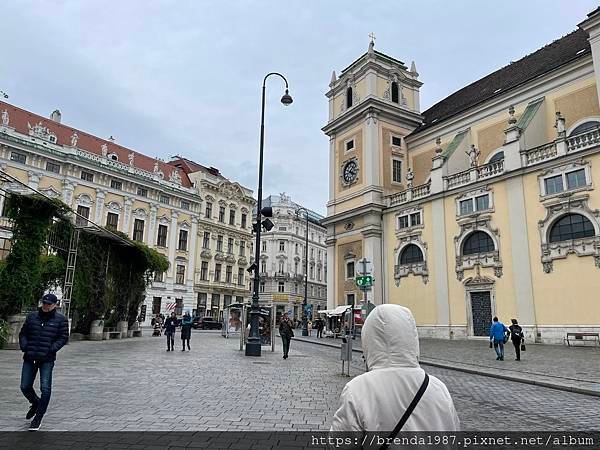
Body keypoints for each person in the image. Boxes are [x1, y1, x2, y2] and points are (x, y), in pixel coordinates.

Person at [330, 304, 459, 432]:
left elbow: (339, 443)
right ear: (411, 336)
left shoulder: (358, 390)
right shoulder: (439, 388)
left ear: (369, 339)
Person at [18, 293, 69, 431]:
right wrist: (24, 346)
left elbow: (63, 337)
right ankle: (35, 403)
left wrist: (51, 349)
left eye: (49, 304)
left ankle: (38, 418)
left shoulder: (61, 320)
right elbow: (23, 333)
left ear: (55, 305)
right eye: (44, 303)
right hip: (30, 356)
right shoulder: (32, 317)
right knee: (24, 386)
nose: (46, 306)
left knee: (45, 388)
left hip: (47, 358)